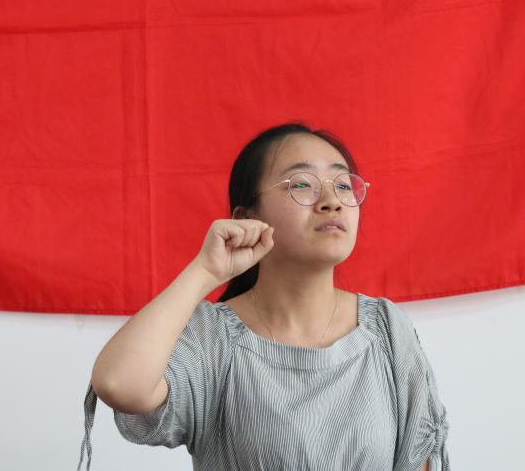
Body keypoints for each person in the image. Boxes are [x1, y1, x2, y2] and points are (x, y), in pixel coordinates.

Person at [77, 122, 450, 470]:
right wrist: (205, 272)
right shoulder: (214, 339)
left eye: (342, 184)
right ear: (246, 217)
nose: (331, 201)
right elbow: (119, 384)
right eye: (301, 184)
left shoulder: (385, 329)